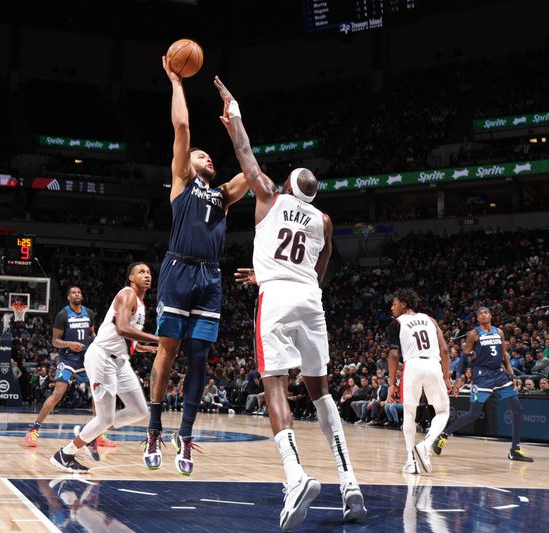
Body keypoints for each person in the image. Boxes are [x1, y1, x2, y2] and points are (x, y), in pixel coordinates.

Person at [214, 76, 365, 529]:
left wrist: (233, 113)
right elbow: (318, 268)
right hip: (309, 300)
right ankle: (350, 481)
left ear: (285, 186)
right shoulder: (324, 219)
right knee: (321, 393)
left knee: (274, 386)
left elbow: (245, 155)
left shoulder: (268, 196)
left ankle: (295, 475)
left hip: (276, 298)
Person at [143, 55, 249, 476]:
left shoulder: (224, 194)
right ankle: (153, 427)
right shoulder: (182, 185)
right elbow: (183, 128)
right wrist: (175, 81)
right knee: (167, 352)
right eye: (199, 155)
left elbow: (252, 171)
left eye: (208, 155)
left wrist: (234, 126)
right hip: (178, 269)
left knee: (200, 358)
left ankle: (184, 437)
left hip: (210, 277)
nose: (205, 157)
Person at [51, 262, 159, 473]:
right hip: (102, 358)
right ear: (131, 277)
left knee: (139, 410)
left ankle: (91, 431)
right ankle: (65, 454)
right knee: (104, 419)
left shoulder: (141, 303)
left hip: (119, 360)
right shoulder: (127, 294)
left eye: (148, 272)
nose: (146, 275)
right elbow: (122, 328)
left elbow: (126, 331)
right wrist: (158, 339)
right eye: (141, 272)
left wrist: (142, 346)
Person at [433, 307, 534, 462]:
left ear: (490, 315)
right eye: (480, 314)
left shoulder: (499, 332)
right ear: (477, 318)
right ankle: (443, 436)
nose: (484, 315)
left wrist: (511, 374)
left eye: (486, 312)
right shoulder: (473, 334)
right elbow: (463, 357)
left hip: (499, 375)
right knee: (473, 414)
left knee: (517, 408)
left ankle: (515, 449)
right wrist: (459, 377)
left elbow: (503, 355)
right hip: (482, 375)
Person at [385, 289, 453, 475]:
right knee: (442, 411)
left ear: (404, 304)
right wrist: (446, 377)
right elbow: (445, 351)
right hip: (433, 364)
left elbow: (393, 354)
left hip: (412, 365)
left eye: (394, 303)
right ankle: (426, 444)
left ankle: (411, 460)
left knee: (409, 412)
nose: (392, 307)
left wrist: (392, 383)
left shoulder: (396, 323)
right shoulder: (431, 320)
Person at [26, 287, 102, 447]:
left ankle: (98, 434)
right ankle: (34, 429)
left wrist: (97, 342)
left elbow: (91, 333)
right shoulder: (62, 315)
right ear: (68, 297)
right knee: (58, 392)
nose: (77, 295)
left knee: (97, 395)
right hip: (67, 358)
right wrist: (69, 344)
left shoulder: (89, 313)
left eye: (79, 292)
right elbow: (55, 341)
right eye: (74, 293)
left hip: (85, 358)